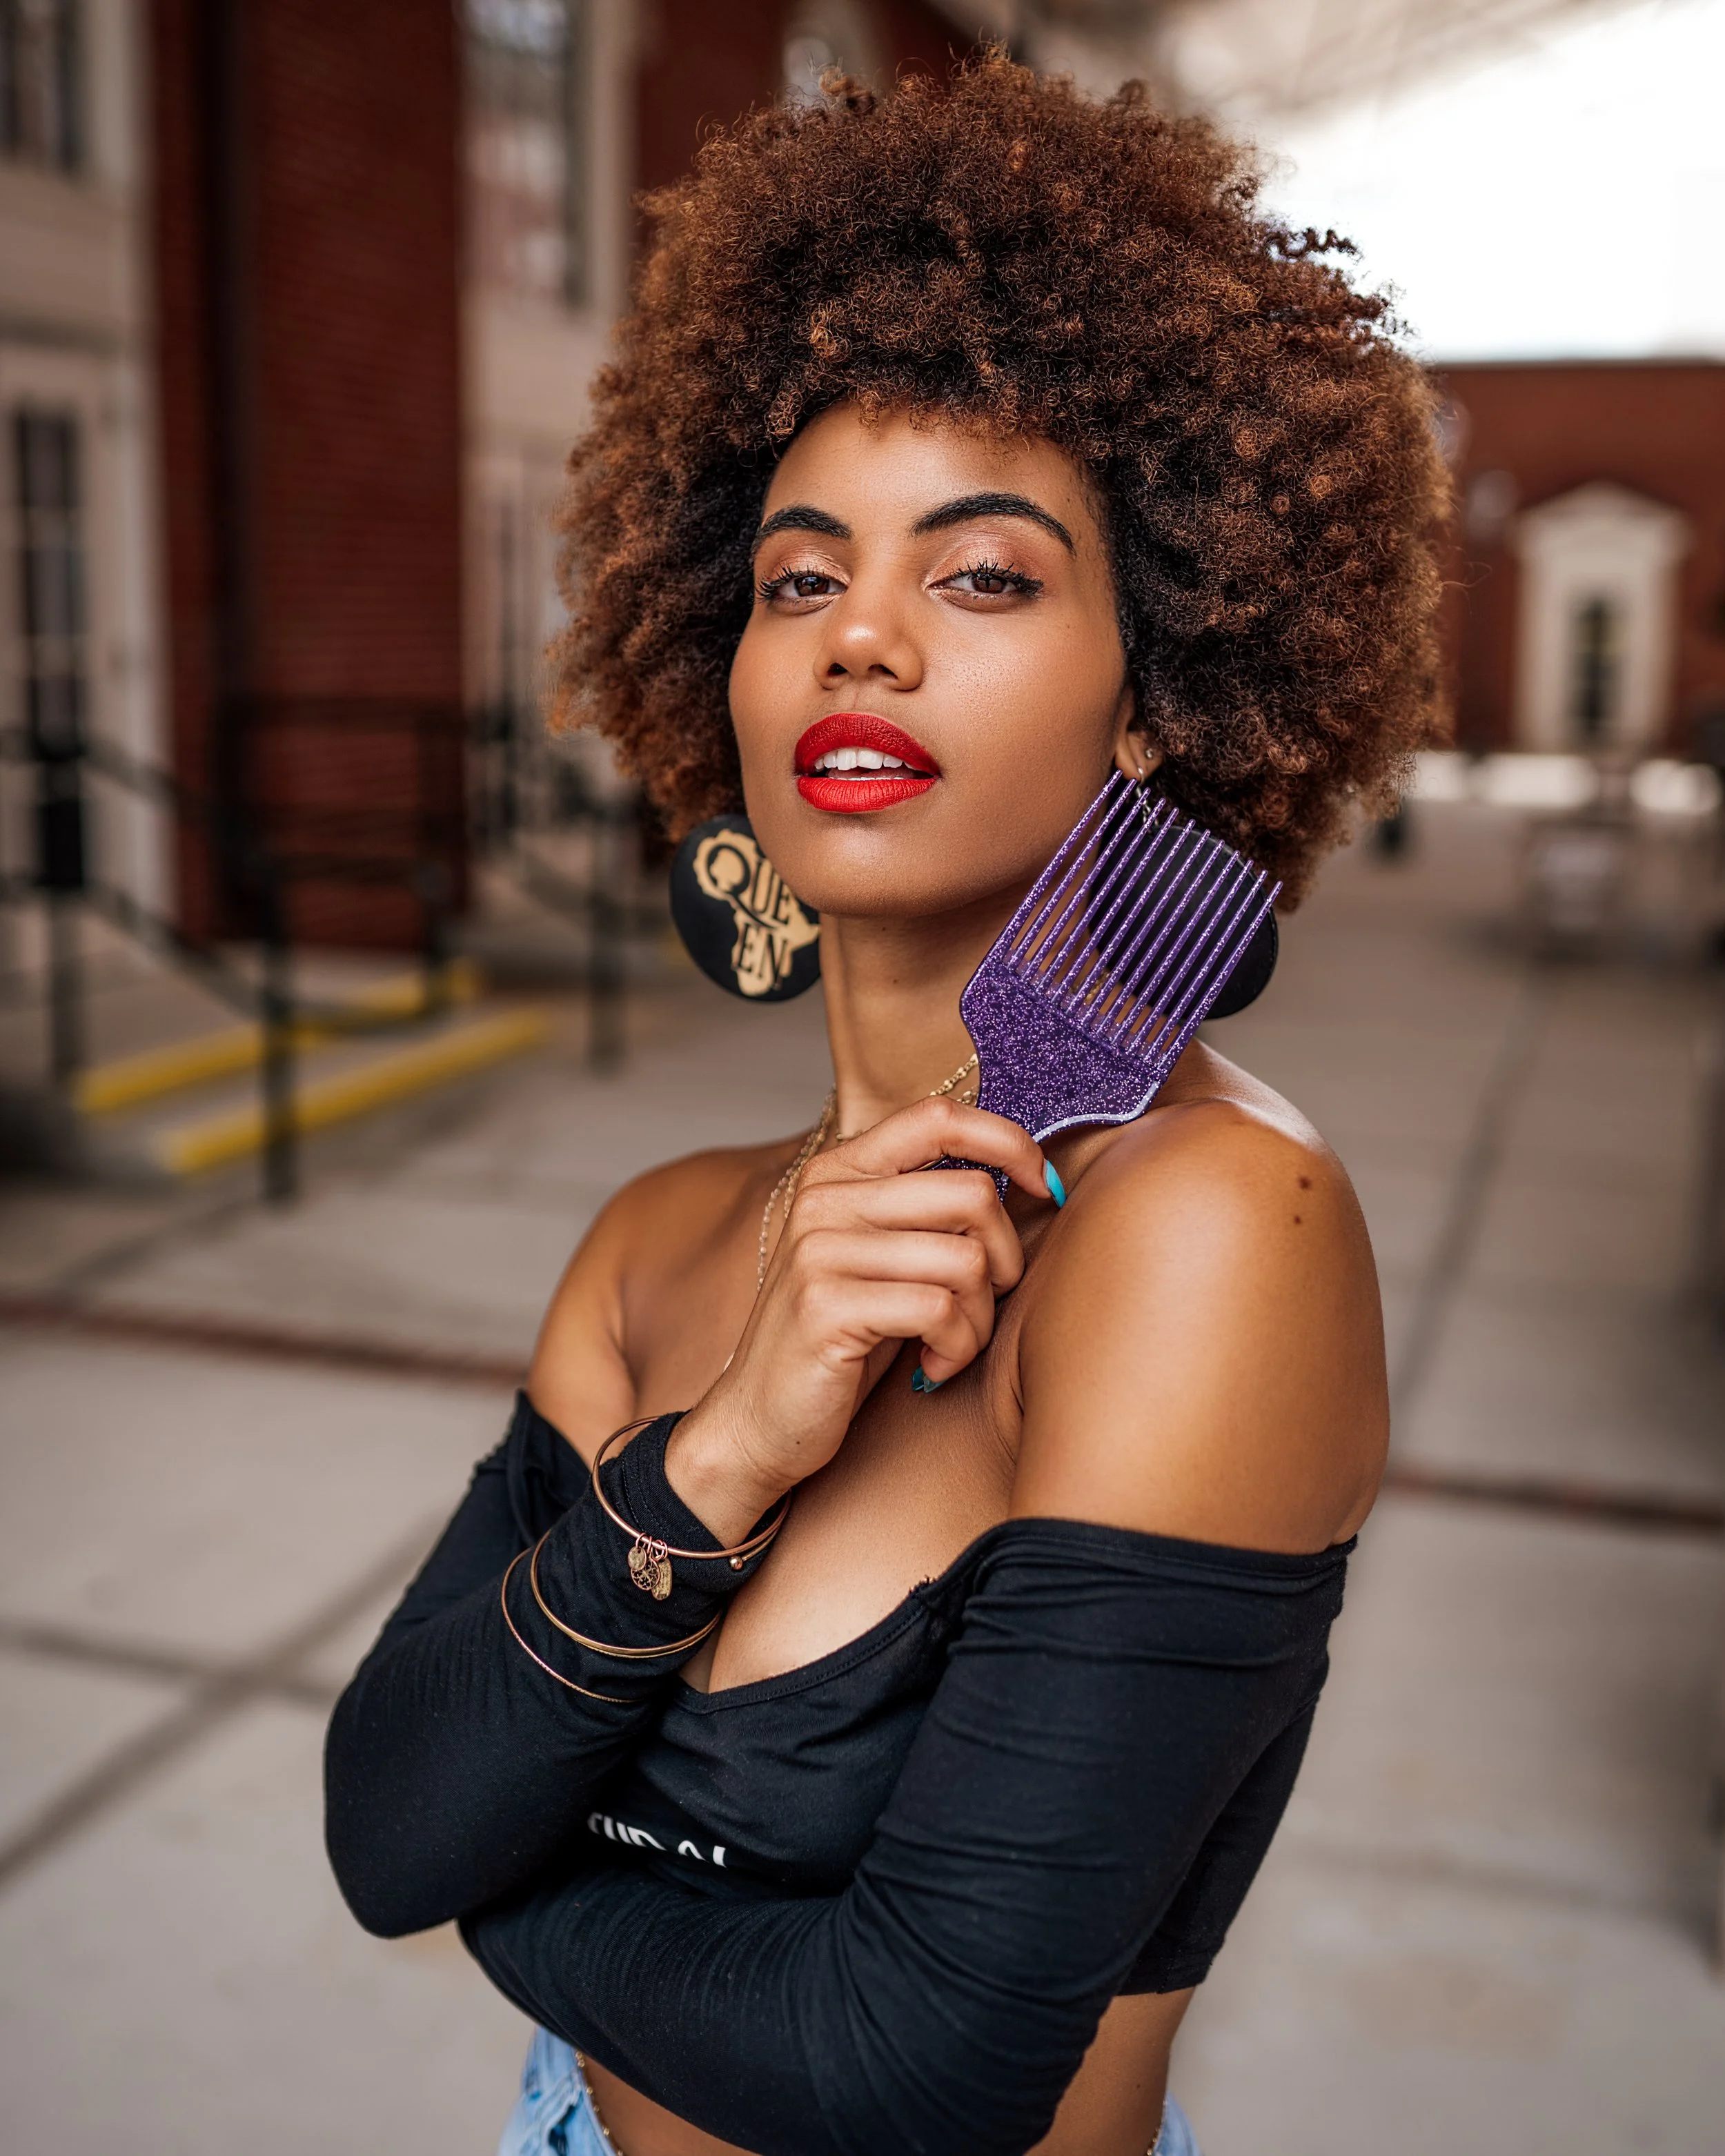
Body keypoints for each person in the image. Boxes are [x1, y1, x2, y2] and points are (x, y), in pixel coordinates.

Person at [324, 54, 1446, 2156]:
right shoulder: (664, 1236)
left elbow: (909, 2064)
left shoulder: (1209, 1224)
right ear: (719, 668)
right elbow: (384, 1810)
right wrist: (733, 1438)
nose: (862, 640)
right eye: (794, 575)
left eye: (986, 575)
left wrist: (503, 1872)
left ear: (1161, 698)